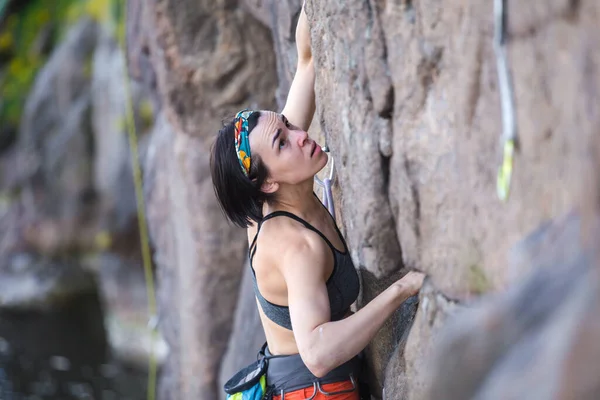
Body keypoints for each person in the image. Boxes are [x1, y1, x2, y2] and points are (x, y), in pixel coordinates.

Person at [210, 4, 425, 399]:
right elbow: (318, 353)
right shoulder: (297, 247)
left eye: (288, 125)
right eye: (283, 141)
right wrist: (402, 290)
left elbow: (307, 61)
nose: (300, 134)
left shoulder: (275, 178)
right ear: (268, 182)